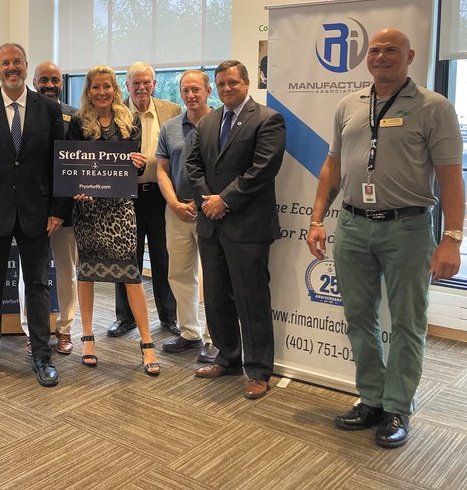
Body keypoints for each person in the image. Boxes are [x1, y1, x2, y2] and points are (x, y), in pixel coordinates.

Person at [307, 28, 464, 448]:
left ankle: (398, 406)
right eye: (374, 50)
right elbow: (332, 166)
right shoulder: (349, 105)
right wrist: (317, 218)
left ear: (409, 55)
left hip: (408, 228)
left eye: (390, 50)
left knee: (409, 323)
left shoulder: (435, 107)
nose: (380, 56)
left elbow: (451, 177)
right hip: (354, 225)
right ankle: (371, 399)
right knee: (360, 318)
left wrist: (452, 238)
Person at [0, 43, 67, 387]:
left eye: (17, 62)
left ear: (25, 65)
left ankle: (41, 355)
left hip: (38, 212)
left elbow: (58, 163)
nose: (11, 68)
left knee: (37, 284)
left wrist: (57, 209)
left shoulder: (48, 109)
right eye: (5, 63)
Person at [186, 59, 286, 400]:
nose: (228, 88)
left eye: (233, 83)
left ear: (246, 83)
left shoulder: (268, 119)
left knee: (251, 299)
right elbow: (193, 164)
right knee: (216, 297)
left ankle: (259, 370)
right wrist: (206, 200)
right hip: (211, 224)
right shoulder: (209, 121)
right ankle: (227, 357)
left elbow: (263, 169)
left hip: (247, 225)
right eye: (222, 83)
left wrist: (224, 201)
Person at [67, 66, 159, 376]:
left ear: (115, 89)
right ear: (89, 91)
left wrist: (138, 162)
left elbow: (129, 169)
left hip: (121, 209)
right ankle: (88, 338)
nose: (102, 92)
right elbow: (72, 164)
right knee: (87, 270)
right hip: (88, 210)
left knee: (130, 272)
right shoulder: (79, 122)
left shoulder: (130, 120)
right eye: (96, 87)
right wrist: (77, 189)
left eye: (107, 86)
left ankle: (147, 343)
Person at [108, 62, 182, 338]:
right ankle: (124, 318)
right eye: (135, 83)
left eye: (146, 82)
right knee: (127, 259)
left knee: (164, 257)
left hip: (162, 196)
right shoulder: (115, 114)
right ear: (126, 86)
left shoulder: (172, 111)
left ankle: (168, 317)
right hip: (126, 197)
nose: (141, 87)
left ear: (154, 84)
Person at [16, 61, 79, 356]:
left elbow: (78, 161)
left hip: (65, 207)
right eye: (44, 80)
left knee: (67, 272)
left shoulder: (75, 117)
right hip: (32, 207)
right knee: (31, 273)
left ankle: (65, 330)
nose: (49, 84)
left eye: (55, 79)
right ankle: (32, 330)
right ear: (34, 81)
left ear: (62, 83)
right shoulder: (23, 112)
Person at [156, 70, 218, 363]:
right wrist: (174, 204)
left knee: (216, 278)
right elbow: (162, 170)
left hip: (212, 212)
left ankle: (218, 338)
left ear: (208, 91)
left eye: (196, 89)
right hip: (178, 211)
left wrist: (207, 203)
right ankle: (191, 333)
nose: (190, 95)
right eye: (185, 90)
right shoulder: (169, 128)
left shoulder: (222, 123)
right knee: (180, 274)